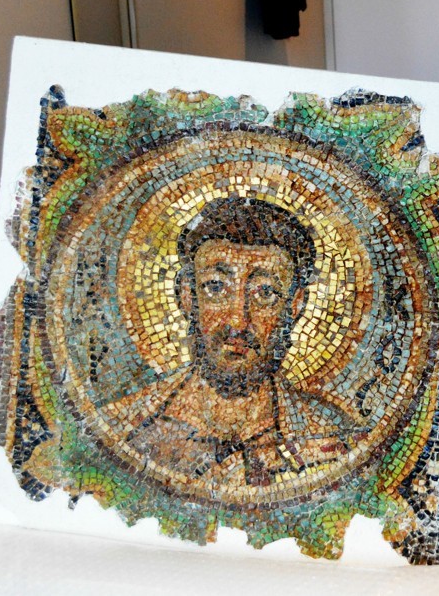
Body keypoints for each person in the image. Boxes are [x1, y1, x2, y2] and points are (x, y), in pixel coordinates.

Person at [105, 196, 360, 487]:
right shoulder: (123, 429)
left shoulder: (335, 442)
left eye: (265, 292)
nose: (238, 321)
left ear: (294, 305)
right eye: (216, 287)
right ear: (187, 296)